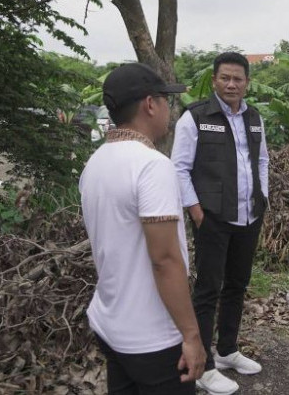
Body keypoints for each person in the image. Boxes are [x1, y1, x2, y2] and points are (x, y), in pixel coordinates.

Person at [79, 63, 205, 394]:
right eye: (166, 100)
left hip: (111, 324)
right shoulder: (152, 166)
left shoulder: (96, 162)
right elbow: (164, 259)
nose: (170, 110)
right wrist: (192, 335)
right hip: (153, 338)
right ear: (151, 104)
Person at [171, 52, 268, 395]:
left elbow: (262, 161)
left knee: (237, 285)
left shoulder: (254, 117)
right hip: (211, 217)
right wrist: (195, 210)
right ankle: (203, 366)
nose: (231, 84)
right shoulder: (195, 116)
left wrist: (263, 198)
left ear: (247, 83)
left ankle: (226, 350)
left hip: (249, 215)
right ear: (214, 80)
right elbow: (179, 167)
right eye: (225, 78)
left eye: (237, 78)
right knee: (208, 290)